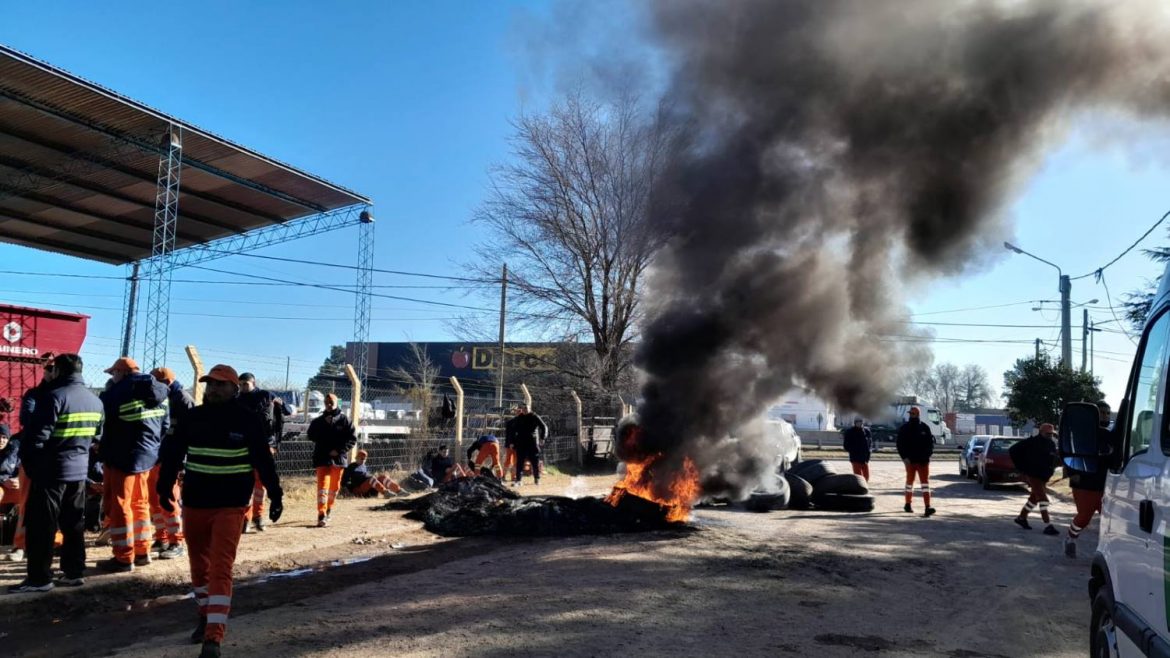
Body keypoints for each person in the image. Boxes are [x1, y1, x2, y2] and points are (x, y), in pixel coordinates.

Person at [156, 364, 283, 658]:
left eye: (221, 384)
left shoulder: (248, 420)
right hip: (196, 503)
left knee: (220, 567)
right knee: (199, 567)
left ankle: (213, 639)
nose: (213, 389)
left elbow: (264, 462)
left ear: (234, 389)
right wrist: (164, 490)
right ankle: (205, 614)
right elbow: (173, 453)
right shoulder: (192, 417)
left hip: (231, 505)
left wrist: (275, 495)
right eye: (210, 384)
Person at [10, 354, 103, 593]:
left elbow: (36, 438)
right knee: (73, 523)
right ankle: (73, 572)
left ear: (60, 371)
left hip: (51, 472)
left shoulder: (54, 397)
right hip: (78, 472)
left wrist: (31, 465)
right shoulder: (95, 402)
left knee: (42, 525)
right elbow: (97, 438)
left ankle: (40, 579)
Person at [97, 357, 169, 573]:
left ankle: (124, 556)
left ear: (122, 372)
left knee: (121, 506)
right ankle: (142, 550)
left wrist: (103, 452)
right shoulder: (162, 392)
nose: (112, 377)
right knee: (140, 503)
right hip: (148, 456)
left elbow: (107, 429)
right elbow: (164, 426)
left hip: (123, 458)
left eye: (113, 373)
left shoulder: (116, 393)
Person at [6, 354, 59, 563]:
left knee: (55, 503)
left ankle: (55, 541)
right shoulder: (34, 394)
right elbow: (27, 419)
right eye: (49, 368)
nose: (51, 371)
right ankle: (21, 546)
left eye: (55, 368)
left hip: (56, 457)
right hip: (33, 456)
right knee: (26, 502)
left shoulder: (64, 394)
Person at [148, 367, 195, 558]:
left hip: (173, 458)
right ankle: (162, 537)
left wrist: (183, 461)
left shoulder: (183, 400)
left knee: (169, 499)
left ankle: (178, 541)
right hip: (157, 456)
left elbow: (190, 434)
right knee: (155, 500)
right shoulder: (161, 398)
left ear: (165, 383)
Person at [1065, 401, 1118, 558]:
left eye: (1108, 413)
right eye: (1102, 412)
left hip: (1107, 484)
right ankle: (1070, 538)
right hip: (1085, 482)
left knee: (1109, 520)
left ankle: (1107, 551)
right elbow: (1070, 454)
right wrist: (1073, 476)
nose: (1105, 416)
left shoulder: (1112, 436)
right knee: (1084, 517)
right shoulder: (1082, 433)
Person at [237, 373, 287, 533]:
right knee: (245, 483)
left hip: (265, 445)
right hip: (244, 447)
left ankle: (258, 516)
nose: (242, 387)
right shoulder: (237, 400)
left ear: (253, 383)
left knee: (261, 484)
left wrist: (281, 404)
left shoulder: (265, 396)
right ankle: (245, 518)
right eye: (240, 384)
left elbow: (284, 412)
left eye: (245, 384)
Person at [306, 393, 357, 527]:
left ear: (336, 403)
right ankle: (321, 514)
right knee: (322, 487)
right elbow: (310, 435)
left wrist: (339, 450)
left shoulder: (345, 420)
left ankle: (329, 509)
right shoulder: (318, 421)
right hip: (322, 458)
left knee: (334, 487)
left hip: (338, 459)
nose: (328, 404)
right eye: (326, 402)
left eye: (331, 402)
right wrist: (323, 434)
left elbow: (352, 439)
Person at [1008, 422, 1060, 534]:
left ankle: (1021, 518)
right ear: (1041, 432)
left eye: (1051, 433)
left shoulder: (1050, 443)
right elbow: (1013, 450)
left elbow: (1052, 459)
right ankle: (1048, 525)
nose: (1050, 435)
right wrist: (1021, 467)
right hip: (1033, 475)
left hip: (1044, 476)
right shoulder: (1031, 442)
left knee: (1034, 498)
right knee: (1043, 499)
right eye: (1047, 433)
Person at [897, 406, 935, 517]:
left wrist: (927, 456)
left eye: (913, 414)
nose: (911, 415)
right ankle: (907, 504)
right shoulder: (905, 428)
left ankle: (927, 507)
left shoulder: (924, 428)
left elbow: (930, 445)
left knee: (925, 484)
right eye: (910, 414)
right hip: (910, 461)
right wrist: (904, 458)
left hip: (923, 462)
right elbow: (900, 444)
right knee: (909, 483)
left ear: (918, 414)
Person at [511, 404, 548, 486]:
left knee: (535, 461)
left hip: (532, 442)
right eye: (523, 408)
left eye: (526, 408)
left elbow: (544, 427)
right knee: (519, 462)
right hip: (521, 443)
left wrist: (543, 437)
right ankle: (518, 480)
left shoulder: (534, 416)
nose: (525, 410)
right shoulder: (518, 418)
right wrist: (512, 442)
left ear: (530, 409)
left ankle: (537, 479)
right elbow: (513, 430)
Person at [842, 418, 871, 482]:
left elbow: (869, 444)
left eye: (860, 422)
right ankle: (860, 488)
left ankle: (865, 487)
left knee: (866, 477)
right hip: (855, 458)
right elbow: (846, 445)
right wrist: (853, 451)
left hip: (865, 458)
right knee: (858, 478)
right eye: (857, 422)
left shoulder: (866, 431)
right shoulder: (850, 432)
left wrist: (868, 454)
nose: (859, 423)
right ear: (855, 423)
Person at [0, 424, 19, 506]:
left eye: (4, 437)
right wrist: (3, 481)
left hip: (13, 486)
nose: (1, 440)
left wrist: (18, 479)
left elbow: (22, 468)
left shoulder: (13, 451)